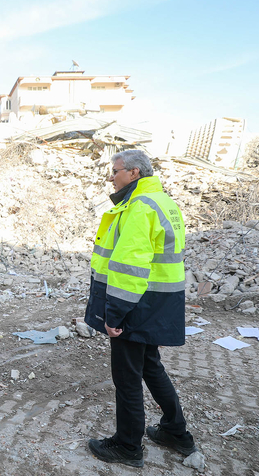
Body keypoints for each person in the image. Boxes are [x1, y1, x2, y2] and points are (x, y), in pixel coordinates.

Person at [84, 149, 196, 468]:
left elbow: (130, 266)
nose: (111, 177)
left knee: (127, 377)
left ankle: (128, 446)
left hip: (136, 304)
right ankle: (176, 432)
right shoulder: (162, 201)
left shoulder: (139, 206)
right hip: (157, 302)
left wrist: (115, 313)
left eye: (115, 171)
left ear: (134, 173)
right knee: (150, 366)